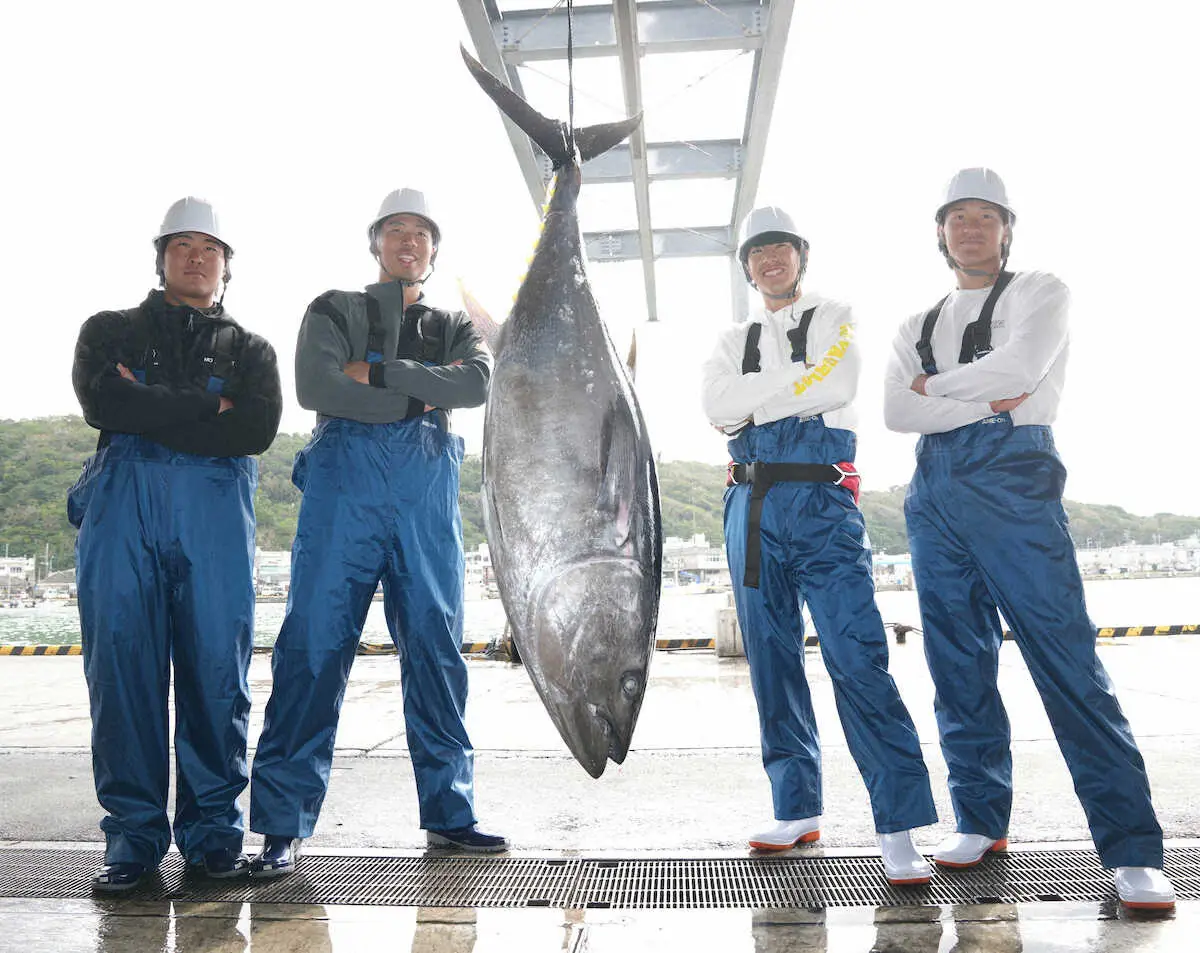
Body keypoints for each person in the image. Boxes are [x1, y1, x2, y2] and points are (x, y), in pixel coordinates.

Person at [883, 167, 1175, 910]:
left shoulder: (1042, 290)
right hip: (934, 495)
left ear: (1008, 228)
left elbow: (1020, 368)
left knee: (1065, 659)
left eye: (987, 216)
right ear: (940, 230)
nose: (971, 228)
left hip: (1015, 483)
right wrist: (978, 395)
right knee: (957, 662)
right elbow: (895, 413)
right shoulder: (915, 322)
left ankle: (1133, 849)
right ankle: (979, 818)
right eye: (958, 216)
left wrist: (935, 389)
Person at [247, 188, 504, 877]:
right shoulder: (335, 308)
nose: (408, 241)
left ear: (433, 248)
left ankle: (451, 813)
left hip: (423, 499)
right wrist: (426, 389)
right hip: (344, 497)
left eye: (421, 233)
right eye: (396, 230)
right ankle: (280, 824)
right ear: (376, 242)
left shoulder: (453, 323)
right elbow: (318, 387)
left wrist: (387, 378)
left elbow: (477, 384)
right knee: (312, 648)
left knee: (438, 651)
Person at [701, 206, 938, 886]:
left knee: (856, 656)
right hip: (747, 504)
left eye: (781, 248)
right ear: (746, 265)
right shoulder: (730, 337)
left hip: (820, 501)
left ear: (800, 256)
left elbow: (837, 383)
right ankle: (795, 806)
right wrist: (779, 396)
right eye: (758, 251)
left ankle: (897, 826)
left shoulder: (837, 317)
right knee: (771, 662)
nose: (770, 260)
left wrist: (754, 402)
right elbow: (716, 410)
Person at [69, 197, 282, 891]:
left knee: (217, 677)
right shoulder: (108, 330)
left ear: (226, 265)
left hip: (214, 521)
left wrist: (152, 401)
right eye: (183, 245)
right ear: (161, 256)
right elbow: (105, 404)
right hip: (122, 512)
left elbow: (253, 429)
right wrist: (204, 406)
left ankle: (213, 839)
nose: (197, 257)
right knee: (122, 676)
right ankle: (131, 842)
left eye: (210, 248)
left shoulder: (253, 350)